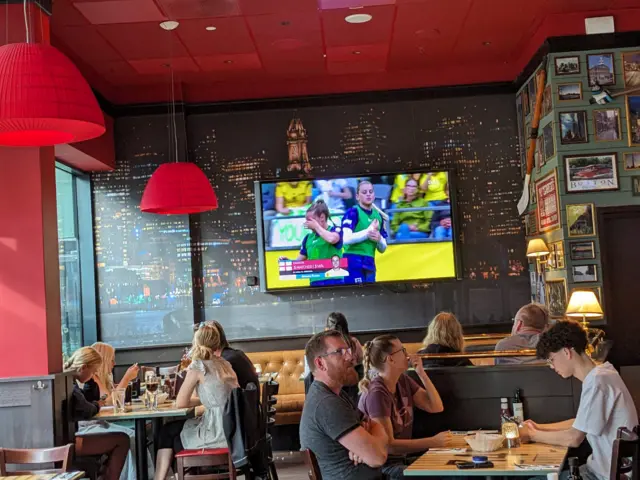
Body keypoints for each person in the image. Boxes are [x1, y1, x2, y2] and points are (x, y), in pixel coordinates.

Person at [521, 321, 638, 480]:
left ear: (566, 352)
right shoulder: (603, 373)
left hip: (602, 476)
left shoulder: (598, 382)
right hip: (599, 470)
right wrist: (538, 427)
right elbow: (580, 423)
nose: (551, 366)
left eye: (552, 359)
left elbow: (574, 438)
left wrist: (532, 435)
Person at [357, 335, 452, 479]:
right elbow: (389, 446)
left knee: (449, 468)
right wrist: (433, 442)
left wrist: (421, 373)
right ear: (390, 359)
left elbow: (435, 406)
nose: (407, 354)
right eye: (402, 350)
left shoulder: (402, 380)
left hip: (401, 461)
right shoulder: (377, 393)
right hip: (384, 467)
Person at [300, 330, 389, 480]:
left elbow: (376, 426)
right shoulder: (326, 403)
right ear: (320, 363)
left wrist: (370, 441)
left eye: (348, 350)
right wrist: (370, 443)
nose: (351, 357)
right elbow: (378, 458)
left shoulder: (337, 395)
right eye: (340, 352)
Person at [154, 323, 239, 480]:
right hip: (234, 428)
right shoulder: (225, 364)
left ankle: (163, 477)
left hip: (216, 431)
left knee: (169, 432)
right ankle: (186, 475)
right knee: (174, 432)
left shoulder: (199, 365)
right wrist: (207, 399)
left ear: (196, 342)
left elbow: (181, 403)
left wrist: (201, 401)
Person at [80, 342, 149, 480]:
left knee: (133, 435)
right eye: (112, 359)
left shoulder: (100, 378)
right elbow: (110, 400)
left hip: (100, 423)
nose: (114, 363)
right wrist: (126, 378)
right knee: (130, 436)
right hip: (88, 427)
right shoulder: (91, 379)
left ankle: (142, 475)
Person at [65, 347, 130, 480]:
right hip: (69, 442)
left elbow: (87, 400)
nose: (94, 374)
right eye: (93, 371)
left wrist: (90, 382)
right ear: (83, 367)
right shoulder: (70, 386)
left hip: (70, 437)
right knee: (122, 440)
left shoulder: (68, 381)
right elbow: (87, 409)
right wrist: (97, 404)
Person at [282, 200, 345, 287]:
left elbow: (332, 239)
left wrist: (316, 226)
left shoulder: (335, 230)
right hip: (315, 281)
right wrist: (288, 262)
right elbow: (299, 261)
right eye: (306, 220)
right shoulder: (308, 238)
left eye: (311, 220)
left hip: (334, 280)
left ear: (322, 217)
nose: (307, 223)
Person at [304, 312, 363, 404]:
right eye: (339, 352)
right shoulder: (354, 342)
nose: (349, 356)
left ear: (327, 328)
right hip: (351, 390)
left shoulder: (320, 346)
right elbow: (361, 363)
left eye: (348, 351)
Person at [342, 181, 388, 284]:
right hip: (352, 260)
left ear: (374, 195)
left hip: (370, 262)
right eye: (364, 192)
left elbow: (383, 248)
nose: (368, 194)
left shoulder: (378, 216)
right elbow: (345, 239)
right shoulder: (352, 212)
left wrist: (379, 239)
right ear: (357, 196)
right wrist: (368, 232)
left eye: (370, 192)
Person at [210, 320, 259, 390]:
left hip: (240, 400)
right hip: (252, 400)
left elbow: (220, 392)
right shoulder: (237, 353)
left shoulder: (225, 361)